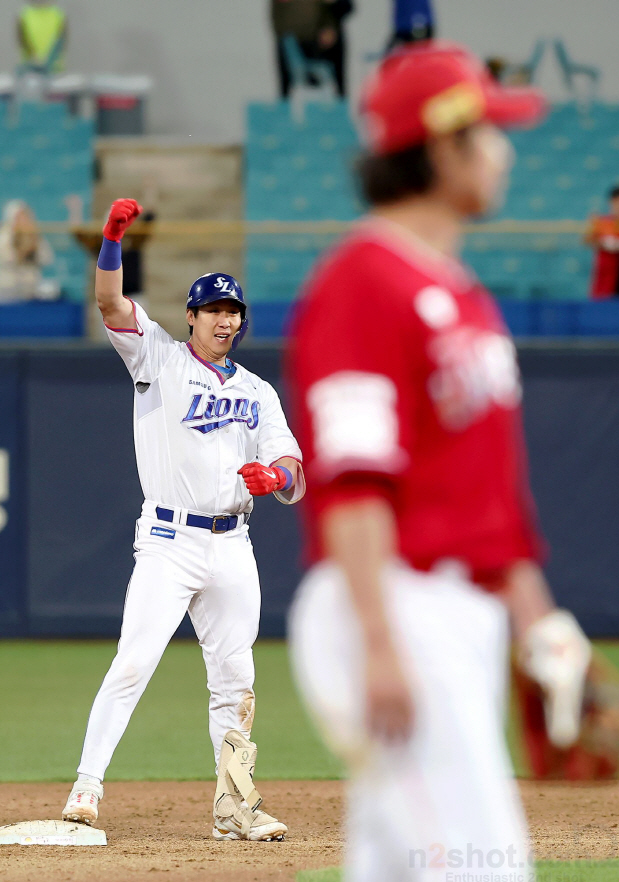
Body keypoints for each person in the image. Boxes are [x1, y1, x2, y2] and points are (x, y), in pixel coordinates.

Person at [286, 41, 593, 881]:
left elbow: (487, 495)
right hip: (394, 601)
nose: (504, 150)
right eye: (489, 131)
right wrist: (379, 640)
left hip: (459, 606)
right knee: (478, 864)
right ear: (441, 146)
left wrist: (538, 626)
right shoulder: (362, 282)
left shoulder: (463, 294)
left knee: (396, 862)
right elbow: (353, 483)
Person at [62, 198, 305, 841]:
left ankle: (234, 808)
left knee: (236, 679)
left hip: (233, 543)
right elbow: (112, 306)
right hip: (169, 539)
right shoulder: (160, 360)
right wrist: (113, 242)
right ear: (191, 316)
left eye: (234, 312)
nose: (225, 321)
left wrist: (273, 476)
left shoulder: (257, 391)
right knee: (135, 659)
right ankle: (87, 786)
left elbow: (292, 466)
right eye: (214, 311)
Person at [271, 0, 353, 98]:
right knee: (287, 81)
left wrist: (329, 28)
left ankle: (338, 102)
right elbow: (277, 16)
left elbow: (333, 13)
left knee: (330, 78)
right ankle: (285, 105)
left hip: (318, 42)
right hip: (291, 42)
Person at [0, 200, 58, 304]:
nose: (23, 219)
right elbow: (7, 260)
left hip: (30, 291)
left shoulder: (34, 235)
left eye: (25, 216)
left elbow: (47, 259)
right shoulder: (3, 237)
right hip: (7, 291)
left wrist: (34, 247)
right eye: (19, 216)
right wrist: (23, 251)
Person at [584, 185, 619, 299]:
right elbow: (587, 240)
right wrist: (603, 243)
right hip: (606, 272)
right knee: (603, 303)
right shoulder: (601, 222)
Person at [17, 1, 67, 74]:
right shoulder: (24, 14)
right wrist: (34, 58)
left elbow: (60, 41)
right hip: (31, 67)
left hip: (53, 69)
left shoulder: (58, 14)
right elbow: (23, 41)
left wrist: (50, 61)